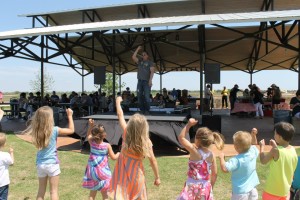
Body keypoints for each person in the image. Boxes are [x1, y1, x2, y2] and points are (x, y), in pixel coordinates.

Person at [108, 96, 160, 199]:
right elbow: (153, 160)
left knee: (122, 196)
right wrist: (157, 177)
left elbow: (120, 115)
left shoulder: (126, 133)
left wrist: (118, 102)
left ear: (131, 125)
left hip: (122, 176)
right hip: (137, 176)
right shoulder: (147, 142)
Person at [22, 106, 74, 200]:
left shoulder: (36, 131)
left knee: (40, 192)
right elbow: (71, 130)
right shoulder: (54, 130)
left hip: (40, 164)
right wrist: (70, 116)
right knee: (53, 192)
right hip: (52, 163)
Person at [177, 118, 224, 200]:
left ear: (197, 139)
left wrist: (188, 125)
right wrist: (211, 187)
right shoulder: (212, 154)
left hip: (191, 186)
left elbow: (181, 138)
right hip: (205, 186)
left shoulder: (194, 151)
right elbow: (214, 174)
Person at [82, 119, 119, 200]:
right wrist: (118, 154)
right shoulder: (107, 145)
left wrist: (91, 126)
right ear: (104, 135)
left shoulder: (92, 142)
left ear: (94, 135)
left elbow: (88, 135)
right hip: (103, 173)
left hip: (92, 172)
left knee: (92, 195)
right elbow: (113, 157)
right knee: (105, 195)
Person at [259, 122, 298, 200]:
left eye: (275, 133)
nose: (274, 135)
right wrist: (275, 146)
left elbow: (263, 161)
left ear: (279, 136)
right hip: (285, 191)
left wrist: (262, 147)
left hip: (272, 190)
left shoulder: (275, 151)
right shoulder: (293, 150)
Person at [218, 129, 259, 200]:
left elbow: (225, 169)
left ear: (236, 147)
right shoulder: (253, 152)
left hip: (240, 193)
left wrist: (221, 158)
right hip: (252, 190)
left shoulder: (236, 160)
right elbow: (254, 143)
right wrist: (254, 135)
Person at [132, 46, 155, 114]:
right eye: (142, 55)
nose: (143, 56)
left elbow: (152, 72)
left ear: (147, 56)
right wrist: (137, 49)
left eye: (144, 54)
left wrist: (150, 80)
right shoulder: (139, 62)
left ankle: (147, 110)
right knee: (139, 96)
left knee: (146, 97)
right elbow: (133, 57)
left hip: (146, 82)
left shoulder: (150, 63)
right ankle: (142, 110)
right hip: (139, 81)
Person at [0, 132, 14, 200]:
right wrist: (11, 153)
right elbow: (11, 162)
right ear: (4, 144)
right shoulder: (5, 155)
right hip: (3, 183)